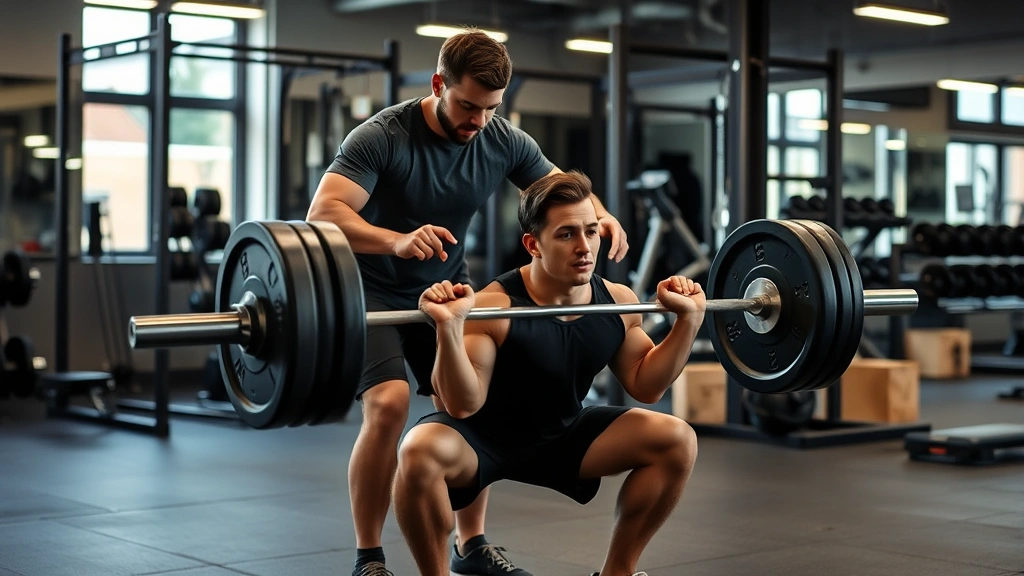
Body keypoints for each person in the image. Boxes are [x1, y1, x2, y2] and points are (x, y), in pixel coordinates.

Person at [307, 30, 629, 576]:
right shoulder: (383, 136)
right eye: (468, 105)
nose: (478, 120)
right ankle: (369, 556)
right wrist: (397, 240)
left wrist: (599, 215)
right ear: (439, 85)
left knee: (475, 404)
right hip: (372, 290)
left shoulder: (502, 138)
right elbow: (325, 211)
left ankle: (471, 545)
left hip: (448, 289)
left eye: (490, 108)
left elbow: (560, 188)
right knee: (387, 405)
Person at [394, 171, 701, 576]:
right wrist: (449, 330)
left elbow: (646, 384)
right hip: (484, 442)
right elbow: (463, 406)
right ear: (533, 244)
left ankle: (618, 572)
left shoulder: (618, 301)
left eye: (591, 232)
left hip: (562, 435)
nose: (585, 247)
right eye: (566, 235)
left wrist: (688, 322)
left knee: (677, 439)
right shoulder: (494, 307)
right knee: (418, 450)